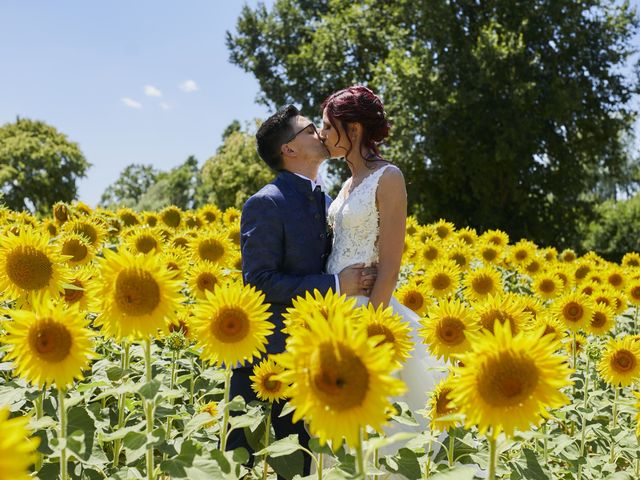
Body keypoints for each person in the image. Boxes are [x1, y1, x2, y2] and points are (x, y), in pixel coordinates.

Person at [233, 104, 377, 478]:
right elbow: (259, 280)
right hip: (266, 362)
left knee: (300, 468)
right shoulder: (266, 202)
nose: (321, 133)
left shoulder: (329, 201)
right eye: (311, 129)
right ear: (290, 149)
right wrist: (335, 286)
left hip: (314, 361)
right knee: (239, 466)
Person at [319, 85, 446, 445]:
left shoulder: (389, 177)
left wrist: (370, 332)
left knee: (382, 430)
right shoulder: (345, 185)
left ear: (354, 130)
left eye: (329, 127)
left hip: (369, 312)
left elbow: (390, 264)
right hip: (333, 312)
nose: (323, 135)